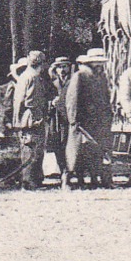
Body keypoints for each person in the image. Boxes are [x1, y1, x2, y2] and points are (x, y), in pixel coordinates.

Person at [64, 49, 114, 189]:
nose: (99, 64)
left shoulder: (101, 77)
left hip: (98, 121)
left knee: (95, 151)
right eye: (97, 61)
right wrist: (73, 120)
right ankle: (69, 180)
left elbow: (105, 98)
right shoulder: (80, 76)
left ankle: (94, 179)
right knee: (76, 151)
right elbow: (72, 100)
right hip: (82, 121)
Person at [11, 50, 51, 189]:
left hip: (28, 116)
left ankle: (33, 180)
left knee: (33, 147)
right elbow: (31, 101)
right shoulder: (33, 77)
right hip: (32, 116)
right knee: (32, 147)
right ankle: (29, 181)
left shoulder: (25, 76)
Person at [45, 56, 74, 187]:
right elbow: (43, 98)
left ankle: (68, 175)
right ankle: (62, 171)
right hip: (55, 119)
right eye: (59, 67)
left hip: (69, 119)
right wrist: (51, 102)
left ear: (69, 67)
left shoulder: (74, 81)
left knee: (70, 146)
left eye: (64, 66)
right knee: (57, 146)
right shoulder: (50, 83)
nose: (62, 70)